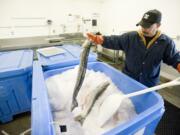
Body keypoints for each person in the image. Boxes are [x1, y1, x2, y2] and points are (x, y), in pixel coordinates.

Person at [87, 9, 180, 87]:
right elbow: (115, 40)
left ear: (158, 25)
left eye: (148, 26)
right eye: (142, 25)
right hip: (128, 80)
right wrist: (101, 39)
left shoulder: (166, 42)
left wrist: (178, 64)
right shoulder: (130, 37)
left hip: (149, 84)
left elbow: (174, 58)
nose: (144, 29)